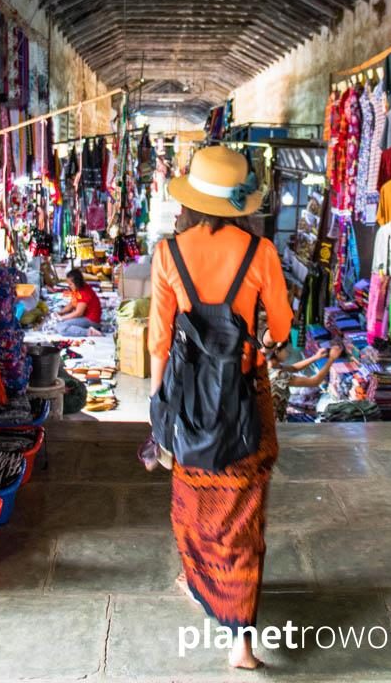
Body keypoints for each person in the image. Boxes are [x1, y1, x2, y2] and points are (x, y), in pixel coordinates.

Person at [148, 145, 293, 671]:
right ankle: (242, 642)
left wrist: (159, 408)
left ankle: (198, 583)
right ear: (241, 204)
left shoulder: (169, 254)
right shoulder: (262, 255)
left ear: (191, 201)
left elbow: (158, 343)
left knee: (193, 508)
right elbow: (281, 329)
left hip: (187, 401)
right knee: (243, 515)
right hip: (244, 401)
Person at [266, 340, 344, 422]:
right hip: (275, 421)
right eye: (284, 350)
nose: (287, 352)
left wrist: (316, 357)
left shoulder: (270, 366)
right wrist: (331, 359)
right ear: (277, 352)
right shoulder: (278, 375)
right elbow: (315, 382)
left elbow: (294, 368)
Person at [55, 269, 102, 337]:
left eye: (71, 284)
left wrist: (62, 318)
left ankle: (89, 332)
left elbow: (78, 313)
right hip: (85, 317)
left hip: (91, 320)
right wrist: (60, 313)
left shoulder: (84, 292)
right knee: (61, 323)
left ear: (76, 283)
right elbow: (72, 304)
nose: (69, 286)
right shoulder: (77, 289)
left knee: (62, 327)